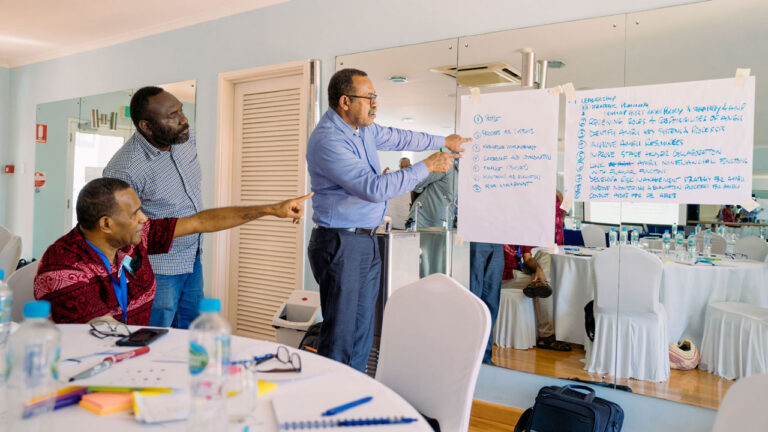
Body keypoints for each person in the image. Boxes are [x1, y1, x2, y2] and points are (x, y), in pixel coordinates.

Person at [306, 68, 469, 372]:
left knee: (362, 335)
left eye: (375, 97)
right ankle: (327, 404)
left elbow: (399, 136)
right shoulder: (328, 140)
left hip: (365, 241)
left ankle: (352, 400)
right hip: (340, 243)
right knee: (340, 337)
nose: (375, 104)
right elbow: (374, 188)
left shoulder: (364, 129)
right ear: (345, 101)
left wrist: (443, 139)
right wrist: (427, 166)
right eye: (369, 98)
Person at [34, 177, 310, 325]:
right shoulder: (63, 267)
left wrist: (272, 209)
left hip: (133, 356)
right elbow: (106, 333)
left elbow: (200, 221)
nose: (144, 218)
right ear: (106, 224)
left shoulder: (132, 241)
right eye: (135, 213)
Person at [103, 86, 204, 329]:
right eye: (172, 115)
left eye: (181, 110)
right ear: (146, 126)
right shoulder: (124, 168)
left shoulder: (184, 139)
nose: (183, 119)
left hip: (193, 257)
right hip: (158, 269)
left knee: (192, 334)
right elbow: (118, 231)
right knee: (154, 335)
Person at [501, 245, 571, 351]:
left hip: (520, 270)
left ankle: (541, 282)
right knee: (543, 285)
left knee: (544, 255)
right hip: (506, 275)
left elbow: (527, 259)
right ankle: (546, 336)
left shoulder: (521, 232)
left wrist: (539, 270)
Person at [469, 241, 505, 364]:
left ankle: (485, 357)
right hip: (475, 239)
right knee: (474, 301)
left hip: (497, 241)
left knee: (491, 303)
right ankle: (470, 359)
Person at [407, 158, 458, 229]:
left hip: (443, 228)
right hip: (422, 224)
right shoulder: (447, 166)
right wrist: (413, 205)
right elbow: (416, 184)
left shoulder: (468, 182)